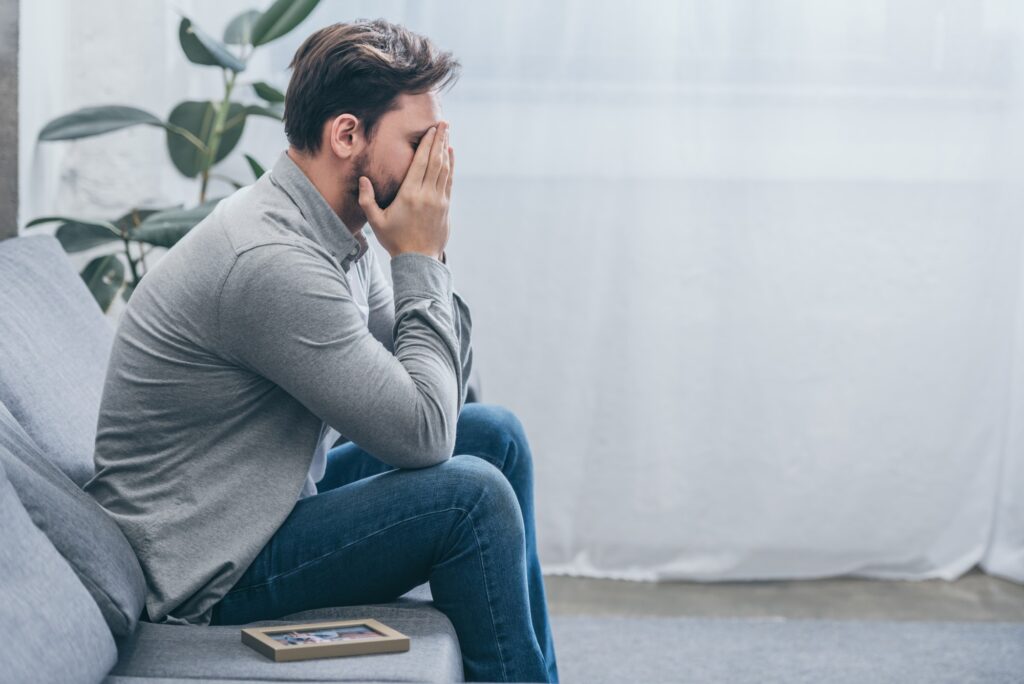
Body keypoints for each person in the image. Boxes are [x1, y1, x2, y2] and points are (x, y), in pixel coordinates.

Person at [83, 18, 559, 683]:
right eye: (419, 144)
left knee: (494, 437)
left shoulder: (336, 228)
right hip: (207, 570)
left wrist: (427, 253)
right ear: (346, 135)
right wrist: (419, 255)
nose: (436, 165)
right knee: (469, 498)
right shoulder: (273, 261)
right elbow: (421, 436)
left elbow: (443, 384)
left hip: (265, 507)